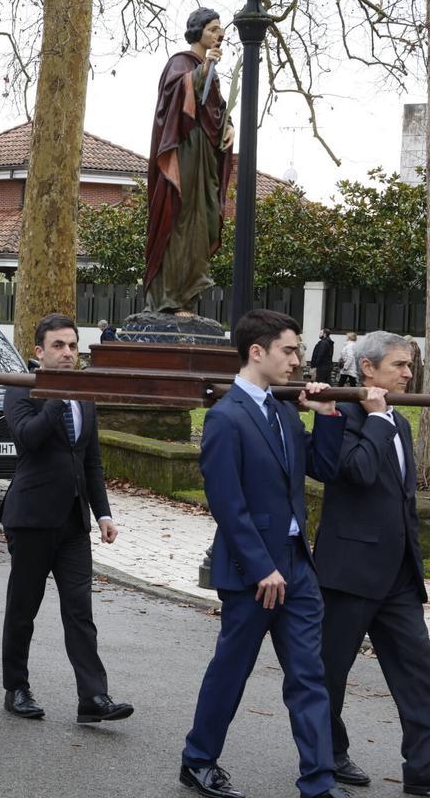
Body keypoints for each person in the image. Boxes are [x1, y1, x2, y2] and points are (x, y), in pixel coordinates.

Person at [180, 309, 348, 798]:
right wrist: (262, 569)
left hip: (297, 566)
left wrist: (330, 418)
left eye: (297, 350)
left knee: (308, 677)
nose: (297, 360)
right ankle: (198, 760)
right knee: (231, 672)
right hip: (252, 573)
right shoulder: (225, 417)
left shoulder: (284, 412)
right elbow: (227, 506)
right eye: (289, 350)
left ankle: (318, 781)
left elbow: (323, 468)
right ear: (258, 352)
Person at [0, 313, 133, 725]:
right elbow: (28, 439)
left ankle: (93, 697)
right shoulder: (23, 388)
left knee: (80, 610)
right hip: (32, 517)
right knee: (24, 607)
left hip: (75, 522)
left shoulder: (86, 394)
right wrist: (56, 394)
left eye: (73, 346)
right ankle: (16, 687)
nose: (68, 353)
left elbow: (90, 460)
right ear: (39, 352)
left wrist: (104, 512)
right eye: (58, 346)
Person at [314, 331, 430, 795]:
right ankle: (331, 754)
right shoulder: (341, 414)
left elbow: (402, 499)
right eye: (399, 365)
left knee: (419, 672)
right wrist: (378, 420)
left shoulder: (398, 422)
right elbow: (357, 472)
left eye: (409, 365)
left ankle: (422, 771)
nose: (407, 373)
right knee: (329, 673)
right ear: (368, 369)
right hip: (349, 573)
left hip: (399, 575)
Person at [145, 8, 235, 315]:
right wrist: (202, 70)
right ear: (197, 32)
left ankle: (190, 294)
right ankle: (171, 297)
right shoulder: (181, 63)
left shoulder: (211, 70)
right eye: (212, 29)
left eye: (220, 30)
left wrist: (230, 126)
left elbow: (217, 109)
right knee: (181, 220)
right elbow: (174, 99)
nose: (218, 34)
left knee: (205, 220)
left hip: (205, 158)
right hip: (183, 154)